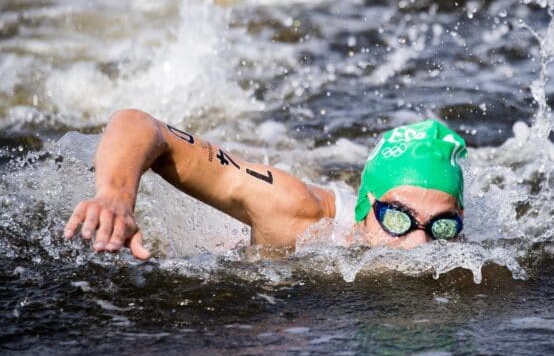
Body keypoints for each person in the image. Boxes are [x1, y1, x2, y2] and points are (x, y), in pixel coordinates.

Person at [63, 109, 467, 260]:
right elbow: (140, 123)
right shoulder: (291, 209)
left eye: (442, 227)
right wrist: (115, 196)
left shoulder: (453, 246)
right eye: (397, 219)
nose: (420, 247)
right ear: (368, 205)